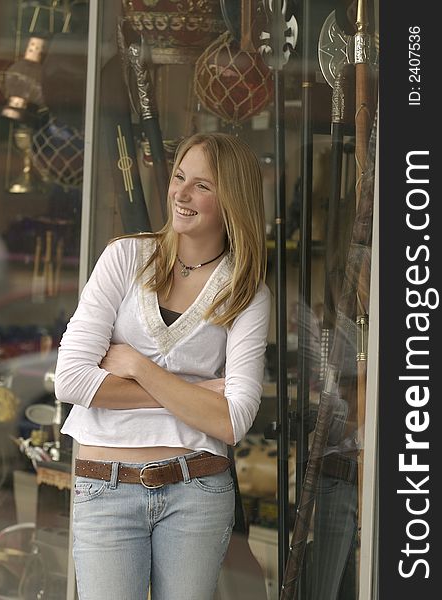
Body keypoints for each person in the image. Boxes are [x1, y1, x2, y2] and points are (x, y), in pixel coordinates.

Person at [54, 132, 272, 600]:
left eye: (202, 185)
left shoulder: (246, 292)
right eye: (179, 178)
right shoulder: (125, 257)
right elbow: (72, 379)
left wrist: (135, 365)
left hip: (197, 489)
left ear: (231, 200)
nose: (181, 193)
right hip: (104, 487)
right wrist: (194, 394)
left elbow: (233, 420)